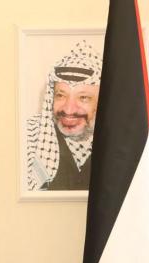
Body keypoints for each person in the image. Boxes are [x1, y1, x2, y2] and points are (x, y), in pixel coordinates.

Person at [26, 41, 102, 191]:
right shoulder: (29, 136)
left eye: (83, 97)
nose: (68, 109)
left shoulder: (124, 144)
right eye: (61, 95)